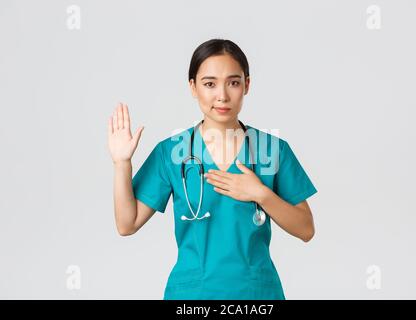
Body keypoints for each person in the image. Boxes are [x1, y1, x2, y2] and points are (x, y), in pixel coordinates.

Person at [108, 39, 318, 300]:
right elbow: (127, 224)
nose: (222, 95)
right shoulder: (172, 153)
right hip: (193, 296)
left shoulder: (272, 150)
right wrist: (122, 164)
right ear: (193, 87)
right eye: (209, 84)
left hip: (256, 295)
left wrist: (262, 194)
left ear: (247, 85)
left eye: (233, 82)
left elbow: (306, 229)